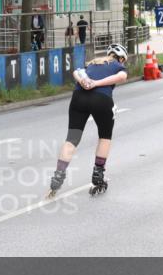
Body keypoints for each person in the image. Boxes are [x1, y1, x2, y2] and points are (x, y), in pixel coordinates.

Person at [47, 43, 128, 198]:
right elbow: (122, 77)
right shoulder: (118, 65)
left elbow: (76, 72)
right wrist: (96, 84)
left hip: (79, 98)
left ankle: (58, 176)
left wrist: (84, 82)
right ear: (122, 59)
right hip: (102, 99)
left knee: (72, 139)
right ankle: (98, 176)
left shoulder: (92, 63)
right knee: (104, 137)